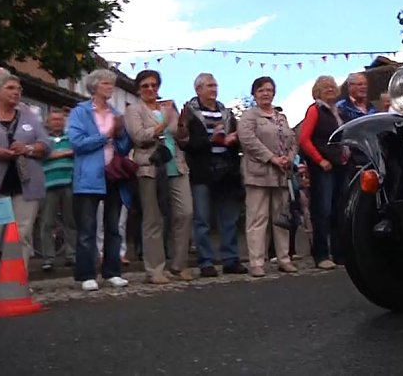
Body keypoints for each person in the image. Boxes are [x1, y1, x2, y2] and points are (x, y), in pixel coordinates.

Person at [0, 72, 50, 301]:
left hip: (25, 184)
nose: (16, 92)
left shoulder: (29, 117)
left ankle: (18, 279)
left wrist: (29, 149)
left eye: (19, 89)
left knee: (22, 234)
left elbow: (46, 145)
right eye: (11, 88)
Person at [125, 70, 194, 284]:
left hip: (176, 166)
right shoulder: (133, 110)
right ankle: (154, 269)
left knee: (185, 213)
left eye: (154, 85)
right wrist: (164, 123)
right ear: (138, 89)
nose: (150, 89)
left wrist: (181, 123)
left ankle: (178, 264)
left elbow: (182, 139)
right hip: (150, 167)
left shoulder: (168, 108)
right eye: (145, 86)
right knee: (153, 219)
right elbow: (139, 136)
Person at [66, 69, 132, 291]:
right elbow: (76, 142)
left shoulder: (116, 113)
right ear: (94, 86)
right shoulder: (80, 112)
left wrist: (123, 134)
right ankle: (86, 274)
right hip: (88, 176)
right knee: (87, 228)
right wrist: (106, 136)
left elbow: (122, 148)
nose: (110, 87)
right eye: (106, 83)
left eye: (111, 84)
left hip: (114, 175)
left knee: (113, 226)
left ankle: (112, 271)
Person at [178, 73, 247, 277]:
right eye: (209, 86)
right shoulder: (188, 113)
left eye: (215, 85)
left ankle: (230, 259)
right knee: (202, 219)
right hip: (201, 171)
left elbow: (237, 140)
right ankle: (206, 261)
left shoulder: (226, 112)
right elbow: (185, 143)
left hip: (226, 169)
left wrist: (233, 140)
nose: (213, 89)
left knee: (229, 218)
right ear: (198, 89)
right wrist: (211, 140)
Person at [238, 77, 299, 277]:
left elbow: (292, 141)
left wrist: (288, 159)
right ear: (254, 93)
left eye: (269, 90)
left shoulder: (281, 117)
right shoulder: (249, 116)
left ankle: (284, 258)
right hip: (258, 174)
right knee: (257, 218)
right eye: (262, 90)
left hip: (281, 176)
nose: (266, 93)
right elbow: (248, 141)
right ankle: (256, 262)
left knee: (281, 219)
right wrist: (271, 158)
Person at [298, 75, 348, 269]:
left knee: (338, 210)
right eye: (324, 87)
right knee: (322, 211)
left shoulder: (337, 112)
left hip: (339, 166)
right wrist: (320, 160)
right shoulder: (315, 110)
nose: (329, 89)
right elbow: (304, 140)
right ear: (317, 91)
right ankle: (320, 254)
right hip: (323, 168)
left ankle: (339, 253)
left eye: (331, 86)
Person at [40, 109, 77, 271]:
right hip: (48, 185)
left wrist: (55, 153)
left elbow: (76, 152)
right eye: (54, 120)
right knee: (47, 223)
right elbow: (42, 155)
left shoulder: (71, 137)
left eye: (60, 120)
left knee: (71, 221)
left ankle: (72, 255)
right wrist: (65, 152)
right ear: (47, 122)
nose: (57, 122)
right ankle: (48, 258)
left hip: (69, 183)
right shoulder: (42, 139)